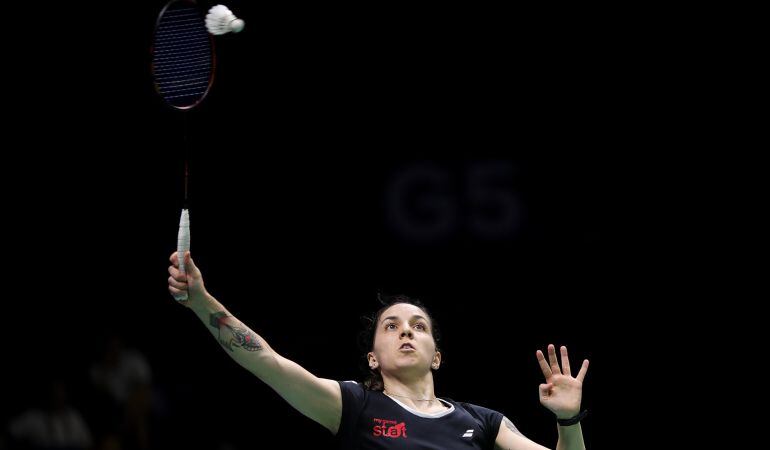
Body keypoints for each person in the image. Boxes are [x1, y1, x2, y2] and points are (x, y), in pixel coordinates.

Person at [167, 251, 590, 450]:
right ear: (373, 357)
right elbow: (267, 362)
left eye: (418, 327)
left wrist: (568, 420)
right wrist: (203, 302)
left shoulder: (484, 423)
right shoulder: (355, 406)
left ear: (436, 355)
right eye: (392, 326)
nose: (406, 332)